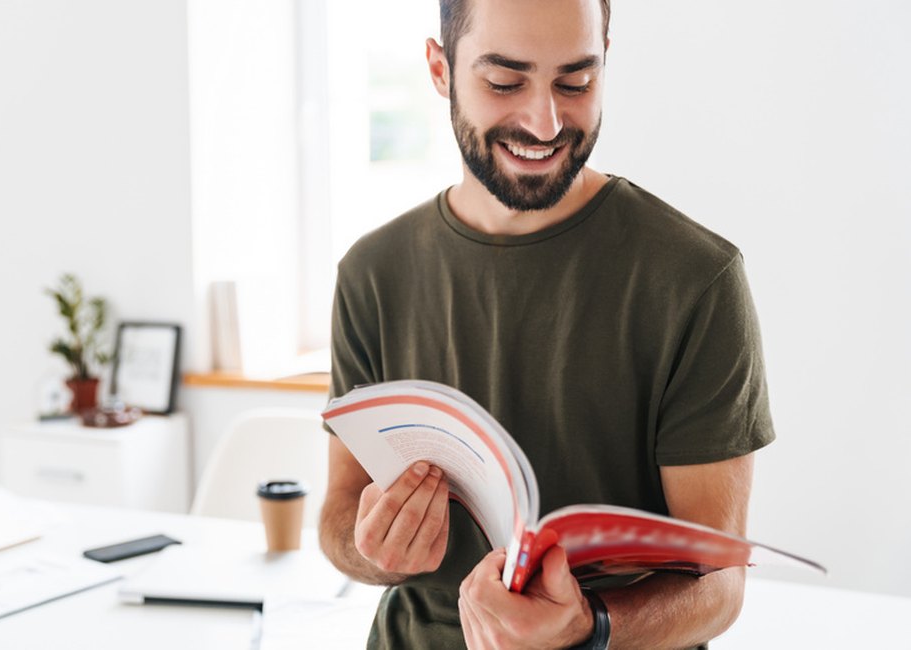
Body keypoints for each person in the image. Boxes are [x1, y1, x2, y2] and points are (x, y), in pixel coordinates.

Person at [318, 0, 775, 648]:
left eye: (576, 81)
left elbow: (719, 585)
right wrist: (372, 549)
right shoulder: (372, 273)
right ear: (439, 69)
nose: (545, 122)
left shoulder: (695, 281)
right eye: (504, 82)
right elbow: (338, 513)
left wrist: (591, 627)